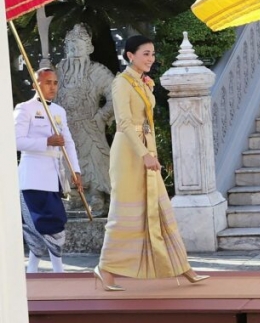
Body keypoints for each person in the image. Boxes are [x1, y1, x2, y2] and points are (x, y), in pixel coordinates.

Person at [95, 35, 208, 291]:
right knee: (124, 212)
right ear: (130, 55)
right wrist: (144, 153)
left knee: (158, 206)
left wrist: (150, 149)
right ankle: (105, 270)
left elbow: (147, 122)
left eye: (152, 54)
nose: (151, 58)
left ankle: (183, 267)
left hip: (145, 150)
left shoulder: (143, 82)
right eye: (145, 53)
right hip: (128, 153)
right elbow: (123, 123)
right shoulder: (121, 83)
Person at [14, 68, 82, 273]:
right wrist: (47, 141)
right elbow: (16, 141)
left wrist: (76, 171)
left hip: (55, 175)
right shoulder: (24, 109)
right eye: (47, 82)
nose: (52, 87)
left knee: (50, 222)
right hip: (33, 174)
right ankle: (55, 270)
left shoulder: (59, 111)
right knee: (44, 223)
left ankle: (37, 270)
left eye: (54, 82)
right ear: (36, 85)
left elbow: (68, 142)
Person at [56, 24, 115, 217]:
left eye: (79, 45)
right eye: (70, 45)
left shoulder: (98, 71)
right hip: (65, 127)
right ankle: (72, 195)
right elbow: (48, 95)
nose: (74, 49)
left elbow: (115, 95)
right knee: (66, 161)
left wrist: (102, 116)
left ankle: (96, 195)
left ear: (89, 48)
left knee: (94, 160)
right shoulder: (59, 70)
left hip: (89, 126)